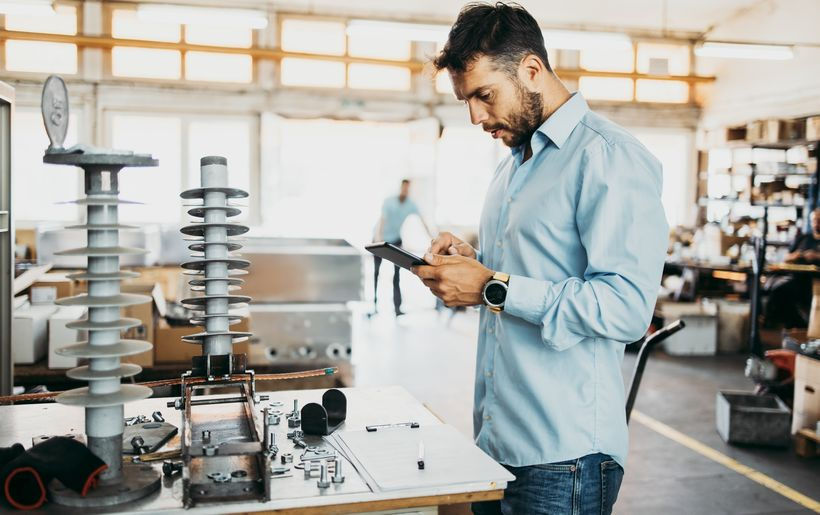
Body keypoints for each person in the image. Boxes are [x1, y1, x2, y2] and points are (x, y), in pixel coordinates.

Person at [411, 3, 668, 514]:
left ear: (531, 70)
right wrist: (474, 263)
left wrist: (490, 286)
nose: (476, 117)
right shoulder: (513, 165)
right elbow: (532, 271)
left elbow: (625, 308)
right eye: (466, 101)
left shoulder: (607, 156)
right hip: (496, 444)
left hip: (565, 458)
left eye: (484, 95)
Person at [373, 179, 430, 316]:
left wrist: (432, 237)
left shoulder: (411, 204)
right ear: (400, 187)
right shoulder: (389, 201)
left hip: (395, 240)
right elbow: (382, 221)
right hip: (380, 239)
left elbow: (422, 220)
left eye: (408, 188)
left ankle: (397, 308)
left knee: (397, 274)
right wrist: (378, 238)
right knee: (376, 272)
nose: (405, 190)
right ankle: (374, 306)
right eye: (404, 188)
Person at [763, 207, 820, 328]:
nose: (817, 223)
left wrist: (815, 256)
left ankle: (802, 326)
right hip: (798, 279)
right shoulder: (803, 238)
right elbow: (786, 257)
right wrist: (798, 255)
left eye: (819, 220)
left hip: (815, 282)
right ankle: (796, 325)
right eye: (814, 220)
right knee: (777, 292)